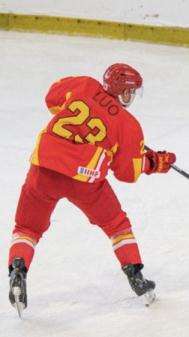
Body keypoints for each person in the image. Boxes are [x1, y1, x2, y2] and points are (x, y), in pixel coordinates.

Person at [8, 63, 176, 313]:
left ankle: (18, 268)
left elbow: (52, 98)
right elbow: (127, 172)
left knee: (27, 228)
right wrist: (153, 162)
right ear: (124, 92)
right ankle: (135, 274)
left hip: (44, 169)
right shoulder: (128, 124)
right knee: (117, 225)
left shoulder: (83, 84)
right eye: (131, 91)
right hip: (84, 180)